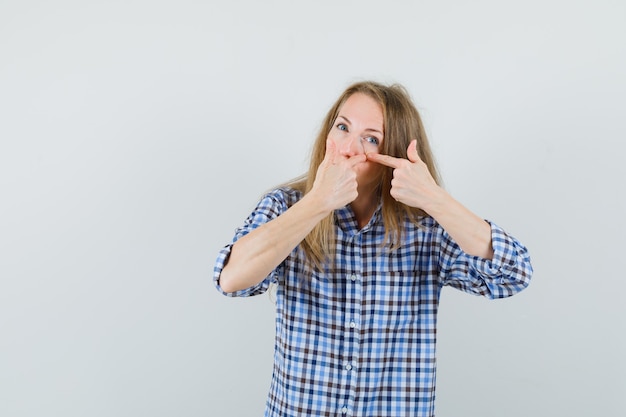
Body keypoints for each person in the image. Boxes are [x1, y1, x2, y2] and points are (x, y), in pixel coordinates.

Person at [213, 80, 533, 417]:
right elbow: (231, 279)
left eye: (371, 138)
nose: (348, 147)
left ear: (392, 154)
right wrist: (318, 202)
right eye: (342, 127)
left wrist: (435, 199)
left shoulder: (424, 226)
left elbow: (514, 274)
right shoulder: (287, 206)